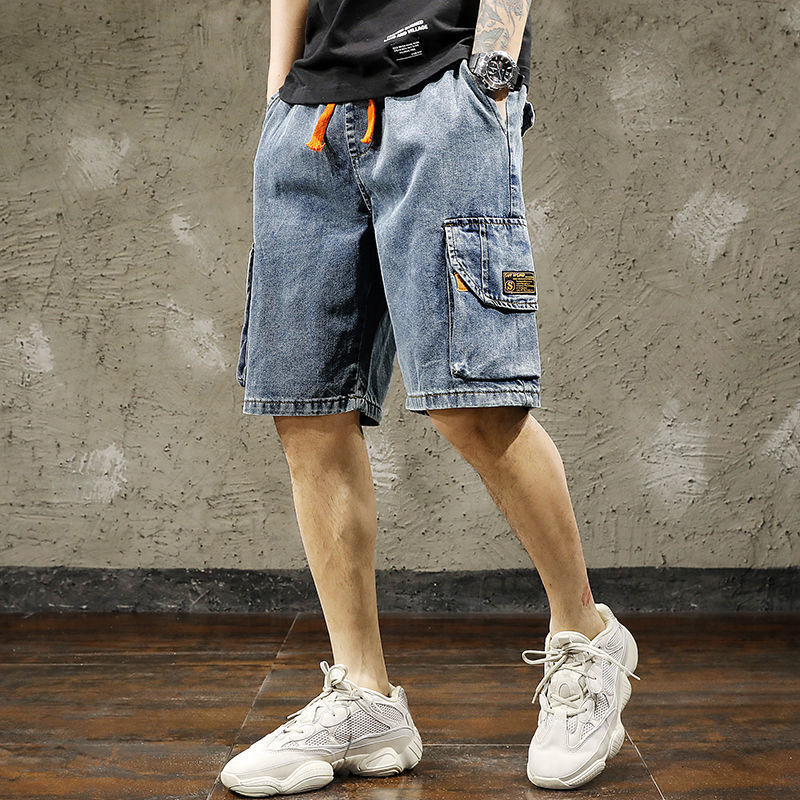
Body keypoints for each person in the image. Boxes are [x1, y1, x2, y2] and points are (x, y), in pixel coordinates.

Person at [221, 0, 640, 795]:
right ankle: (365, 696)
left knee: (471, 399)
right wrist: (278, 94)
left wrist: (493, 73)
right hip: (310, 117)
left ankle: (585, 637)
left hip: (443, 87)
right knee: (308, 412)